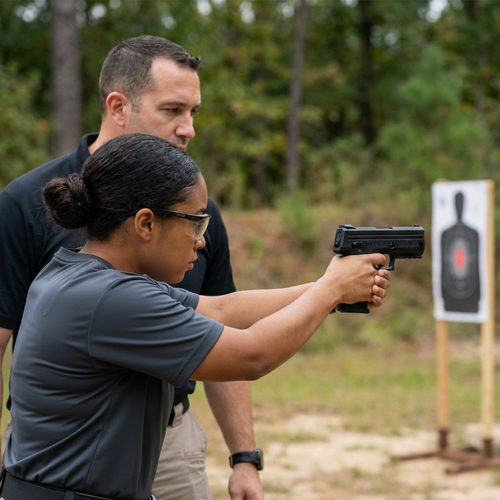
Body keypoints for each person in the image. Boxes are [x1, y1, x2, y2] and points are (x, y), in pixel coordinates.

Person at [1, 133, 390, 500]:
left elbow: (223, 309)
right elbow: (252, 354)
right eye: (195, 221)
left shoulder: (86, 276)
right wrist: (331, 291)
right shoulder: (112, 298)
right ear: (146, 223)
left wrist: (333, 284)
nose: (202, 239)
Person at [0, 36, 257, 500]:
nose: (188, 129)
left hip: (169, 439)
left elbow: (219, 321)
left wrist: (244, 458)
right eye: (173, 110)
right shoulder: (23, 204)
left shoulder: (196, 211)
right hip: (64, 452)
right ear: (118, 106)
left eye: (194, 113)